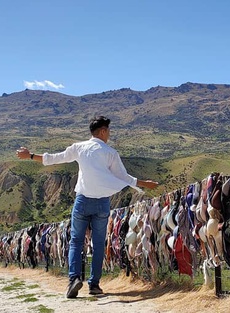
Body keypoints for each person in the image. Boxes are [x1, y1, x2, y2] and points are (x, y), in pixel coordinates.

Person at [16, 116, 159, 298]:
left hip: (82, 201)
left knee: (76, 241)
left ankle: (74, 279)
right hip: (101, 203)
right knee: (98, 244)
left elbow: (54, 158)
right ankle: (94, 285)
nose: (109, 134)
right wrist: (145, 183)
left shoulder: (79, 147)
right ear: (103, 131)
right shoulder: (110, 153)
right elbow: (123, 176)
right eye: (108, 131)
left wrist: (29, 155)